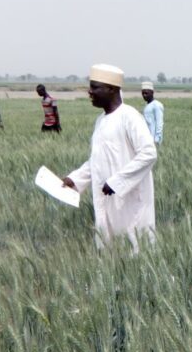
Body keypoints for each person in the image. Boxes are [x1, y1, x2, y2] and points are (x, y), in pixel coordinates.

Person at [62, 64, 157, 253]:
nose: (89, 92)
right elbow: (97, 161)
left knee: (135, 250)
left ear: (111, 89)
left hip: (129, 200)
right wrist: (75, 179)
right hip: (108, 199)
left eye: (95, 87)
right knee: (111, 252)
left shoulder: (130, 116)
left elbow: (149, 153)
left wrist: (117, 182)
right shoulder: (101, 120)